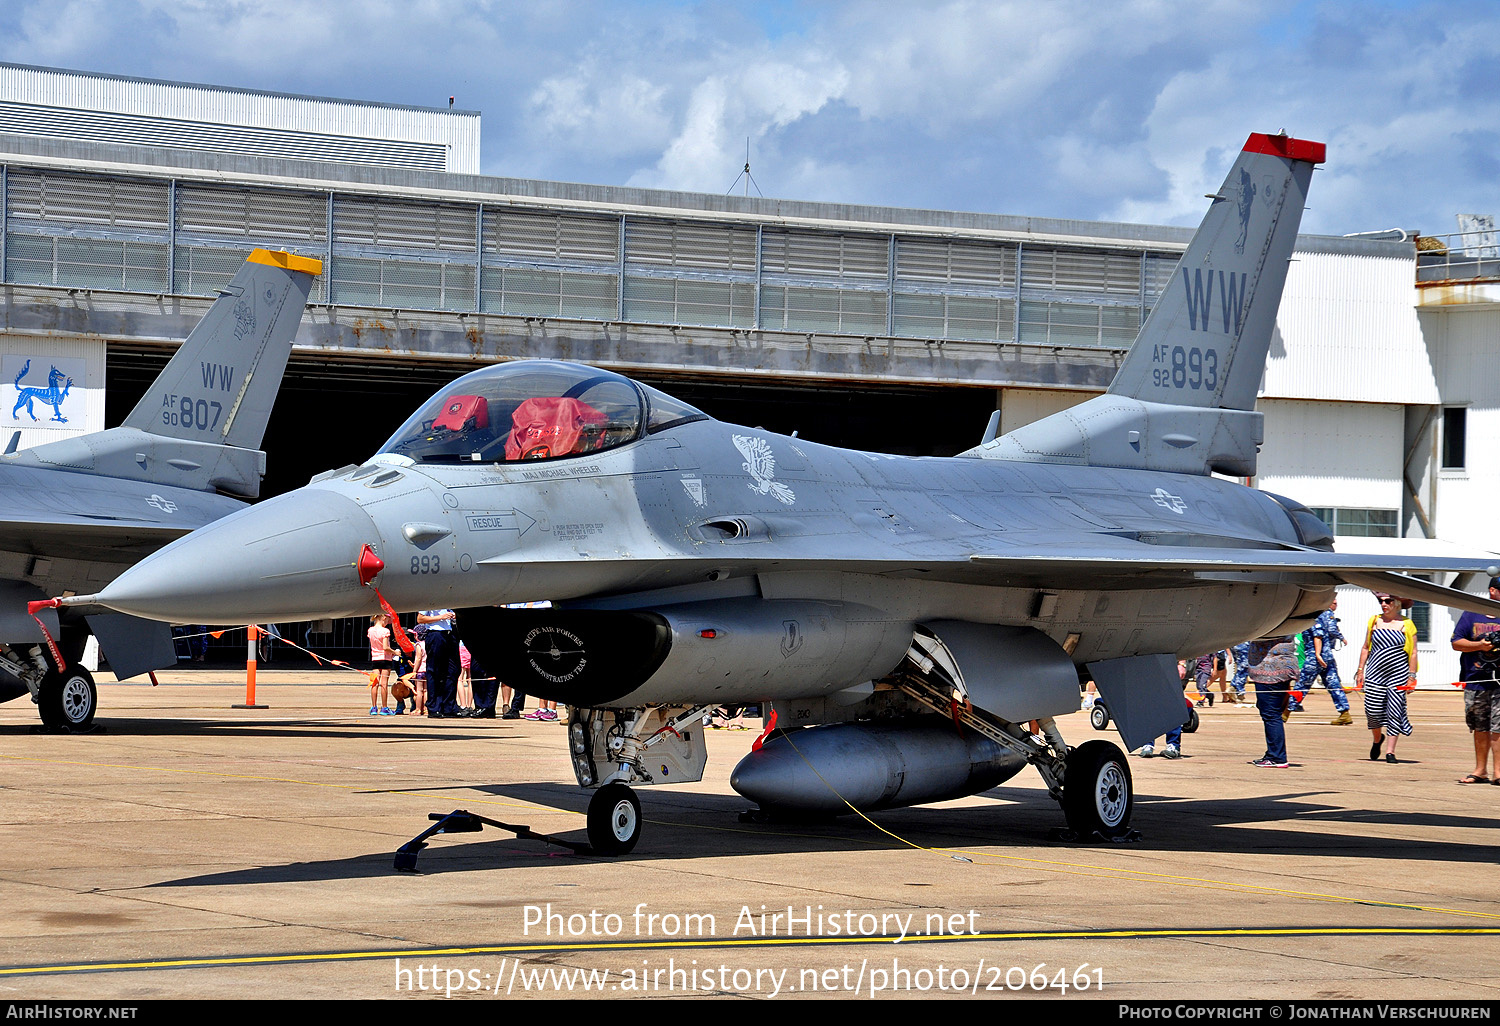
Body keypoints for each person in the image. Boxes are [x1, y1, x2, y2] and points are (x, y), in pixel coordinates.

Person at [1355, 593, 1418, 764]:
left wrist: (1412, 676)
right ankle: (1377, 739)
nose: (1384, 604)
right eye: (1381, 601)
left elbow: (1413, 652)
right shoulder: (1374, 621)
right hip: (1375, 672)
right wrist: (1360, 671)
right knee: (1372, 710)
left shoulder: (1407, 624)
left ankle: (1391, 751)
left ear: (1397, 604)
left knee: (1394, 710)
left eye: (1388, 601)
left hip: (1398, 673)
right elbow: (1366, 647)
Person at [1450, 577, 1500, 784]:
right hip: (1476, 678)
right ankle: (1480, 770)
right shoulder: (1471, 613)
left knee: (1498, 726)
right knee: (1479, 726)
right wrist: (1479, 645)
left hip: (1499, 680)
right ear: (1492, 591)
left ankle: (1499, 773)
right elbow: (1456, 642)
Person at [1245, 636, 1299, 768]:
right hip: (1283, 668)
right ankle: (1274, 753)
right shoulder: (1285, 621)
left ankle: (1277, 756)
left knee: (1271, 714)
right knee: (1273, 713)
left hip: (1270, 672)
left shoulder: (1270, 623)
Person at [1300, 598, 1352, 725]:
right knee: (1334, 685)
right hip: (1327, 656)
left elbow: (1318, 635)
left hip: (1315, 657)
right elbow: (1330, 631)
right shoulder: (1325, 614)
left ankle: (1286, 711)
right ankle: (1344, 713)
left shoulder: (1315, 614)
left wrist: (1317, 654)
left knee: (1301, 685)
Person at [418, 609, 459, 717]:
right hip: (436, 633)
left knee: (453, 670)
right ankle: (434, 706)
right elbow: (420, 618)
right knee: (435, 670)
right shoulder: (432, 598)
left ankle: (449, 706)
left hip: (450, 634)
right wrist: (441, 617)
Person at [366, 613, 397, 716]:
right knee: (384, 684)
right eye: (388, 620)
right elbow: (385, 647)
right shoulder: (385, 631)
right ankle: (384, 707)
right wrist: (395, 652)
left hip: (375, 658)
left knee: (375, 682)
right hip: (385, 658)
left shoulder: (370, 630)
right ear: (383, 618)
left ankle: (374, 707)